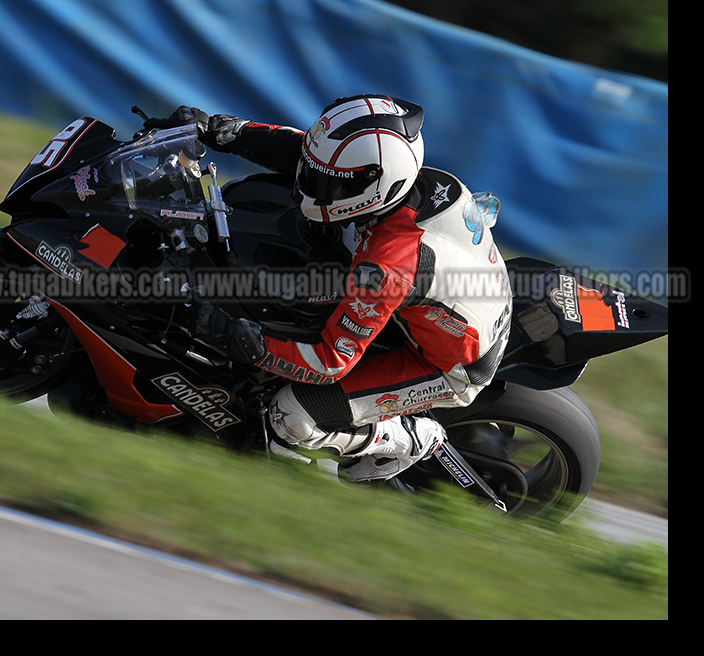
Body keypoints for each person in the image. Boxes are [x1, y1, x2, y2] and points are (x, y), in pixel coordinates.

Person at [143, 96, 513, 483]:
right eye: (315, 173)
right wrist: (227, 131)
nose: (308, 184)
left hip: (448, 364)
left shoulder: (387, 267)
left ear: (374, 187)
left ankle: (409, 438)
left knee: (289, 416)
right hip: (448, 301)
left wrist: (230, 334)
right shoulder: (410, 181)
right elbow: (308, 158)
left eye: (325, 182)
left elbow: (328, 362)